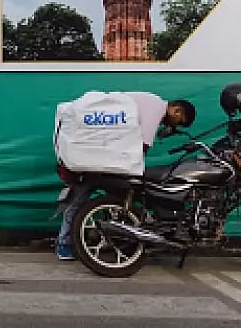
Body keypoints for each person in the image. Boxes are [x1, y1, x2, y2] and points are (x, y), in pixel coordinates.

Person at [54, 92, 196, 261]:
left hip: (96, 157)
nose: (174, 127)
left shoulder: (147, 101)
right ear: (176, 110)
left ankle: (72, 242)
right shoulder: (156, 108)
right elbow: (143, 144)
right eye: (178, 122)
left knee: (82, 198)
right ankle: (64, 243)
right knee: (80, 199)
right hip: (100, 160)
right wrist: (134, 167)